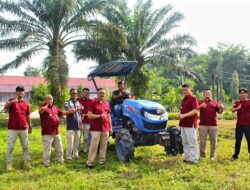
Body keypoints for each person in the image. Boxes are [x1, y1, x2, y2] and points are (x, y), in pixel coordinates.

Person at [39, 94, 75, 167]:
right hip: (47, 133)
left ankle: (60, 160)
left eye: (51, 99)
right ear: (45, 100)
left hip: (56, 132)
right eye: (48, 99)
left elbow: (62, 113)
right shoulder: (42, 107)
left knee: (59, 147)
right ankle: (46, 163)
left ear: (53, 100)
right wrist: (44, 108)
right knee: (47, 149)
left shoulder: (55, 107)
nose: (50, 100)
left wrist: (69, 111)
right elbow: (40, 112)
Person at [4, 86, 32, 170]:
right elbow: (5, 107)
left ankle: (26, 162)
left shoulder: (26, 104)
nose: (20, 93)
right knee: (11, 146)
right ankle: (9, 163)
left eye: (22, 91)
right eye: (19, 91)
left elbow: (27, 115)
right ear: (16, 92)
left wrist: (30, 125)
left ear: (24, 93)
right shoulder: (10, 101)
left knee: (25, 146)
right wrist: (13, 101)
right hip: (12, 128)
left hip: (23, 128)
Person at [86, 88, 112, 168]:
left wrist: (111, 128)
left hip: (105, 128)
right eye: (100, 93)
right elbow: (89, 115)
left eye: (103, 93)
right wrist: (100, 116)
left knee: (104, 146)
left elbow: (108, 116)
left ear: (105, 94)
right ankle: (89, 162)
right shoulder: (93, 102)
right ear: (97, 94)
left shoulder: (107, 104)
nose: (102, 95)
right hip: (96, 128)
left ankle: (102, 160)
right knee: (94, 146)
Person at [198, 89, 224, 161]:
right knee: (202, 141)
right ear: (203, 94)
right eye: (206, 93)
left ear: (211, 94)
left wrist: (222, 108)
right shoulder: (200, 102)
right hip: (203, 125)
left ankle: (213, 156)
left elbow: (220, 112)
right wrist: (201, 106)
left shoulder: (214, 102)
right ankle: (202, 156)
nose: (207, 94)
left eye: (209, 93)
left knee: (213, 141)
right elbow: (196, 109)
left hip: (213, 125)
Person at [179, 84, 199, 164]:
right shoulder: (183, 99)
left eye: (186, 90)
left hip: (190, 124)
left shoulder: (193, 98)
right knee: (185, 142)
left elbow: (195, 111)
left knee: (192, 142)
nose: (184, 91)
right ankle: (187, 158)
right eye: (183, 90)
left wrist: (184, 115)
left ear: (190, 90)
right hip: (183, 124)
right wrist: (180, 115)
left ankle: (194, 160)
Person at [64, 88, 83, 160]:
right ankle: (68, 157)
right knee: (70, 143)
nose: (74, 95)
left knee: (77, 143)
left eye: (75, 93)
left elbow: (79, 114)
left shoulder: (78, 103)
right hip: (70, 126)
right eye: (73, 93)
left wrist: (81, 122)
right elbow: (70, 112)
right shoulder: (67, 102)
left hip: (78, 125)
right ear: (70, 94)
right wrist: (79, 108)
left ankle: (75, 155)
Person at [232, 88, 250, 160]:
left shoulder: (249, 102)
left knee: (249, 140)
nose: (242, 94)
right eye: (241, 93)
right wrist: (237, 108)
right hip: (239, 125)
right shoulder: (237, 102)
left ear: (247, 94)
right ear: (239, 94)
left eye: (244, 93)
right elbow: (232, 110)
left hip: (248, 125)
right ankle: (236, 155)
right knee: (238, 140)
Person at [77, 88, 92, 153]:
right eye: (85, 92)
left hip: (87, 121)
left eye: (87, 93)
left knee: (86, 137)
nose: (86, 94)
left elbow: (91, 111)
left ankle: (85, 149)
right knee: (78, 137)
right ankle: (77, 150)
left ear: (88, 94)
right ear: (82, 93)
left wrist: (85, 115)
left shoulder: (91, 101)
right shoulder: (77, 100)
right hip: (78, 121)